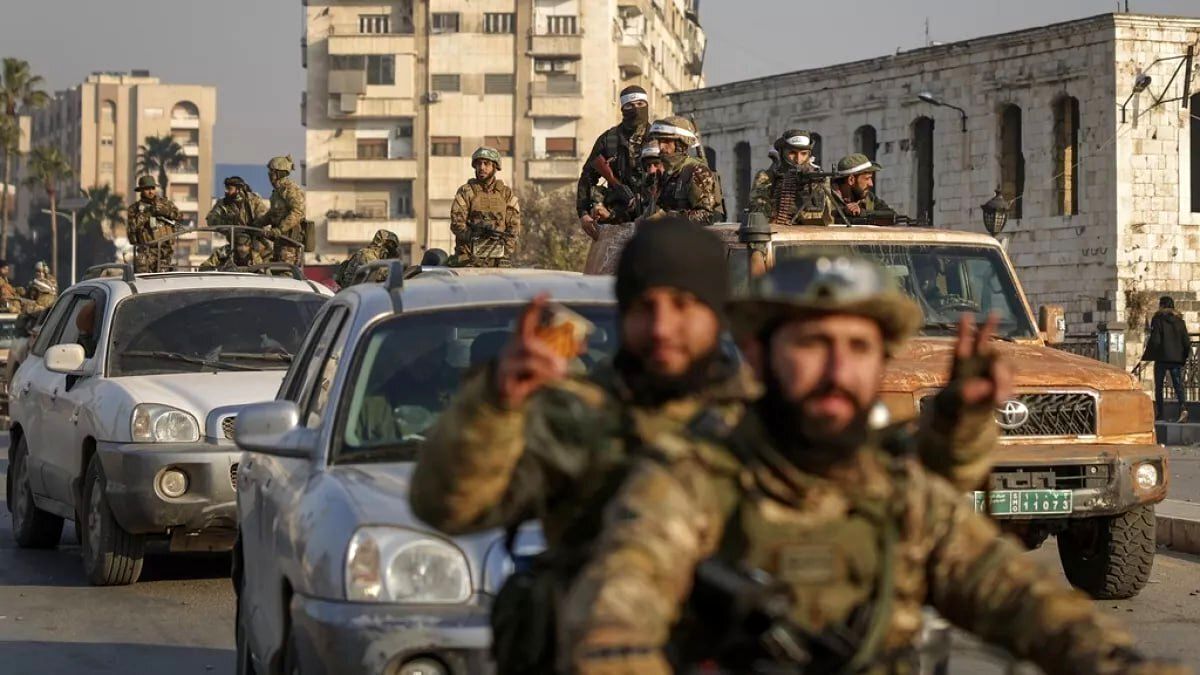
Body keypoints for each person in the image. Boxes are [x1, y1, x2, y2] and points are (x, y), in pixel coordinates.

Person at [411, 221, 1001, 673]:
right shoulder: (576, 417)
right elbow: (449, 506)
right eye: (645, 307)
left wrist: (960, 421)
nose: (662, 327)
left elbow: (910, 491)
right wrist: (494, 407)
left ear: (715, 312)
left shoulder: (769, 408)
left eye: (684, 306)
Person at [562, 255, 1182, 675]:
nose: (837, 370)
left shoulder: (900, 493)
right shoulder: (688, 482)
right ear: (757, 353)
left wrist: (1120, 663)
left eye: (858, 348)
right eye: (812, 345)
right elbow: (616, 618)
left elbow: (1016, 597)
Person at [577, 85, 651, 239]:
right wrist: (583, 213)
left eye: (640, 104)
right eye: (630, 105)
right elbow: (587, 177)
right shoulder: (609, 139)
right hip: (616, 220)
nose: (636, 109)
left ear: (647, 105)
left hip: (653, 219)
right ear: (622, 109)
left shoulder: (658, 138)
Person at [448, 147, 520, 268]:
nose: (481, 167)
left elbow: (514, 227)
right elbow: (457, 223)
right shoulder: (466, 192)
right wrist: (474, 235)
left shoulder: (506, 193)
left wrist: (505, 249)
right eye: (478, 164)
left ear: (495, 167)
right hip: (469, 259)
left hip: (499, 260)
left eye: (486, 164)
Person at [642, 117, 721, 225]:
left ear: (680, 144)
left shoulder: (696, 172)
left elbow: (707, 216)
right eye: (659, 141)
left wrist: (669, 218)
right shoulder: (666, 175)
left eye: (666, 141)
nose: (661, 147)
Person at [749, 129, 832, 226]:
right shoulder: (766, 177)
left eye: (803, 153)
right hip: (780, 231)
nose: (798, 159)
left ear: (809, 154)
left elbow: (827, 215)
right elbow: (757, 211)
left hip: (814, 231)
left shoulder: (818, 177)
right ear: (782, 152)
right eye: (792, 153)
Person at [1141, 295, 1192, 422]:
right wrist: (1184, 356)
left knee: (1159, 387)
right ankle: (1183, 409)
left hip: (1161, 358)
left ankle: (1160, 414)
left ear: (1162, 305)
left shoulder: (1158, 319)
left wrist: (1149, 354)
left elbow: (1155, 340)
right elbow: (1186, 341)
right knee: (1178, 386)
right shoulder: (1180, 321)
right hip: (1176, 359)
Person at [254, 155, 306, 265]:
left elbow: (298, 212)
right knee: (276, 267)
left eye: (272, 172)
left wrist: (280, 229)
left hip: (289, 241)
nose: (269, 175)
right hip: (279, 239)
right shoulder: (277, 192)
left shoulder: (290, 190)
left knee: (286, 270)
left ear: (279, 173)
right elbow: (273, 213)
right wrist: (258, 223)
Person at [127, 175, 184, 272]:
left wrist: (165, 211)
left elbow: (180, 216)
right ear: (141, 190)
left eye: (152, 188)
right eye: (147, 189)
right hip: (146, 250)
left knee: (164, 275)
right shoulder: (134, 209)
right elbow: (132, 231)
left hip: (165, 250)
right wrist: (148, 213)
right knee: (141, 270)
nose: (151, 192)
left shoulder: (165, 203)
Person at [206, 175, 270, 256]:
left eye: (229, 189)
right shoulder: (223, 203)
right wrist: (227, 224)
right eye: (226, 188)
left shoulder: (253, 200)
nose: (226, 191)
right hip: (235, 241)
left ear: (239, 190)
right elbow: (211, 219)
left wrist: (256, 224)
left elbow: (263, 215)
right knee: (221, 257)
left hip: (255, 239)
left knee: (267, 254)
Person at [831, 153, 893, 224]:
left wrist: (862, 212)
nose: (871, 184)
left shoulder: (869, 198)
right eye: (867, 178)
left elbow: (892, 216)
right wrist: (843, 212)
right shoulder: (826, 199)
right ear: (851, 180)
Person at [336, 229, 402, 287]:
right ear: (382, 245)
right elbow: (376, 273)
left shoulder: (375, 256)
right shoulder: (366, 254)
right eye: (389, 247)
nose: (388, 253)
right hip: (353, 293)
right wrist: (396, 272)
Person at [199, 232, 267, 271]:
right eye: (240, 245)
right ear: (235, 245)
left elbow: (261, 270)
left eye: (245, 245)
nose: (242, 248)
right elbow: (205, 266)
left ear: (250, 246)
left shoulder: (254, 256)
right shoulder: (226, 251)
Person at [634, 143, 665, 220]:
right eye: (648, 166)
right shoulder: (646, 191)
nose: (651, 170)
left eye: (656, 164)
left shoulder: (675, 189)